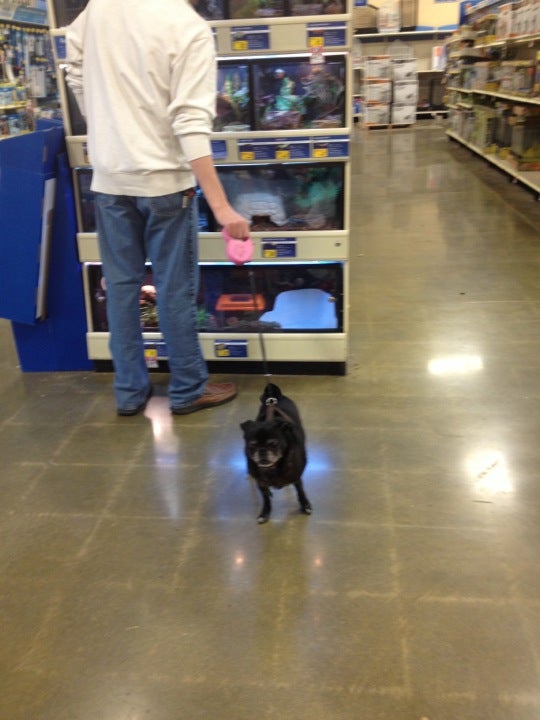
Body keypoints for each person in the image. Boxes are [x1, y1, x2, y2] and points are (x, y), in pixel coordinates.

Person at [64, 0, 251, 416]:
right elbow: (190, 122)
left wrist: (103, 124)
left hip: (110, 179)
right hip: (166, 183)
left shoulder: (99, 8)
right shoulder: (187, 26)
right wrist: (222, 207)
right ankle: (187, 389)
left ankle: (129, 392)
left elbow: (73, 64)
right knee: (173, 291)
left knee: (121, 290)